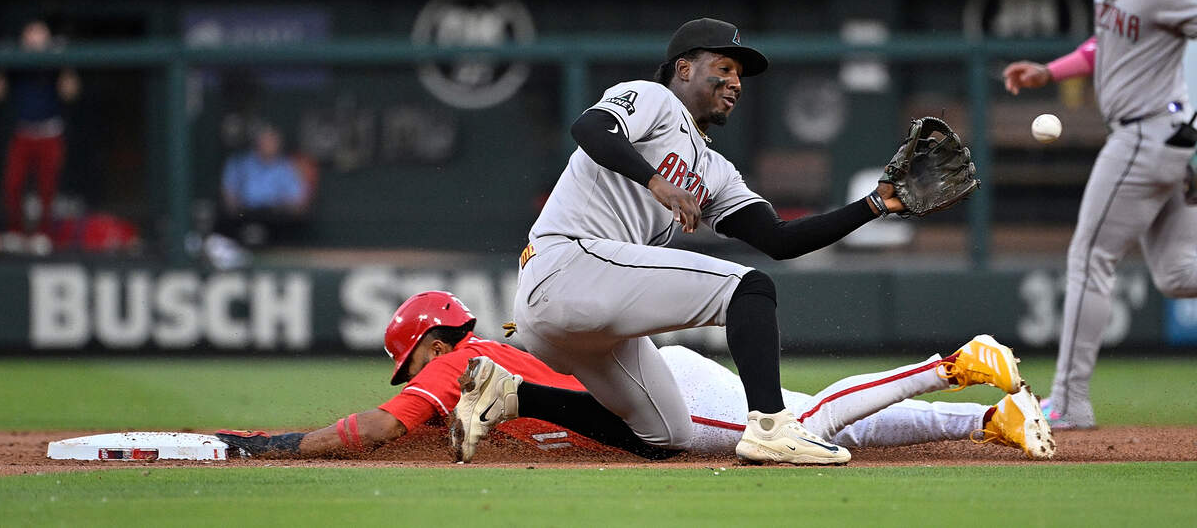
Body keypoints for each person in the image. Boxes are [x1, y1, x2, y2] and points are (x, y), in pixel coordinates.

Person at [450, 17, 978, 466]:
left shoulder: (716, 171)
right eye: (722, 68)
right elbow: (590, 128)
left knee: (664, 436)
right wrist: (656, 180)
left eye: (739, 74)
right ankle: (771, 426)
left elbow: (779, 239)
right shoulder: (654, 99)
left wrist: (875, 205)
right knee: (747, 288)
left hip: (584, 311)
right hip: (568, 264)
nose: (735, 81)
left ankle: (512, 394)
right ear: (684, 68)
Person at [215, 290, 1055, 460]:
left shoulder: (465, 362)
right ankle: (990, 422)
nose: (415, 376)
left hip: (665, 396)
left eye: (413, 360)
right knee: (828, 418)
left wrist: (282, 444)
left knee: (804, 426)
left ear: (433, 344)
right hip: (660, 379)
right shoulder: (491, 353)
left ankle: (952, 363)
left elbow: (377, 428)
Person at [1001, 0, 1197, 430]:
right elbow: (1105, 45)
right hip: (1159, 138)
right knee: (1180, 274)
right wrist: (1051, 70)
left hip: (1147, 134)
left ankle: (1068, 402)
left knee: (1089, 258)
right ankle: (1069, 400)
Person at [0, 19, 80, 256]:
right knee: (12, 184)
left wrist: (65, 64)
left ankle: (44, 234)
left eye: (39, 34)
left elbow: (70, 92)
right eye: (30, 34)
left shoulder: (54, 62)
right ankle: (15, 232)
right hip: (23, 132)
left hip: (50, 132)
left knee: (46, 188)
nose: (34, 39)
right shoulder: (17, 62)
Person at [218, 123, 311, 246]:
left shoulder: (287, 167)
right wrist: (236, 209)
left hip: (276, 219)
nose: (268, 144)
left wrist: (283, 205)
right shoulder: (240, 163)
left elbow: (298, 202)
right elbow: (229, 194)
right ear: (257, 142)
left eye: (272, 140)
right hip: (245, 216)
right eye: (265, 140)